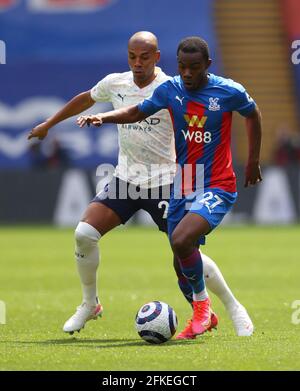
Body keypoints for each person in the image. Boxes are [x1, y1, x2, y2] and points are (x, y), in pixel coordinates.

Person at [28, 32, 255, 338]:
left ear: (157, 58)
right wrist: (49, 124)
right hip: (126, 178)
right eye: (132, 57)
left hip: (168, 180)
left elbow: (214, 116)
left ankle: (229, 305)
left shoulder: (172, 86)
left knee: (183, 251)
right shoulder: (116, 82)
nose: (137, 63)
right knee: (84, 234)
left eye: (144, 57)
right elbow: (87, 97)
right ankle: (89, 303)